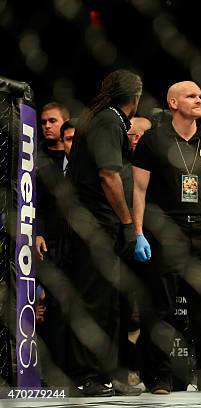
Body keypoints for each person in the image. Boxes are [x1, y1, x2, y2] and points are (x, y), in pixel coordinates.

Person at [131, 80, 201, 394]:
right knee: (161, 307)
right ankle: (160, 377)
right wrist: (137, 232)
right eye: (191, 96)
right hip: (166, 228)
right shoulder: (153, 140)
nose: (199, 100)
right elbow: (138, 189)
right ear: (173, 102)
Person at [65, 69, 143, 397]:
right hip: (96, 221)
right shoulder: (109, 121)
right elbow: (109, 175)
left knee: (109, 301)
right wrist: (127, 223)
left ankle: (104, 374)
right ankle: (87, 376)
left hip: (96, 220)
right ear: (135, 98)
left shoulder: (101, 116)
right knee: (95, 300)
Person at [35, 103, 71, 387]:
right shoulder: (37, 158)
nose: (47, 126)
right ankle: (50, 372)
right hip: (49, 241)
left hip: (77, 242)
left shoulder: (79, 157)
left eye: (52, 121)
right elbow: (30, 201)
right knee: (51, 306)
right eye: (43, 122)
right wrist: (36, 231)